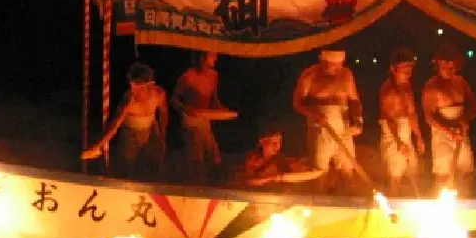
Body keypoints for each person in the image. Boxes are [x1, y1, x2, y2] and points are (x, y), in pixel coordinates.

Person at [293, 47, 366, 193]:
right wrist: (313, 114)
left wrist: (358, 121)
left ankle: (348, 199)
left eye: (340, 65)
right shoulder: (309, 75)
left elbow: (354, 100)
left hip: (344, 130)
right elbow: (297, 103)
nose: (337, 69)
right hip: (320, 131)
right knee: (320, 171)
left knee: (347, 169)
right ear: (323, 61)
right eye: (333, 65)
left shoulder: (346, 75)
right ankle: (319, 199)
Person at [88, 62, 169, 178]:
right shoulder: (129, 100)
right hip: (130, 133)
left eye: (137, 86)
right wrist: (98, 145)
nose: (133, 89)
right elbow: (115, 125)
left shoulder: (159, 94)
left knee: (156, 161)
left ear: (149, 85)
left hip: (151, 128)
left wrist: (162, 136)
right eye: (131, 85)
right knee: (126, 166)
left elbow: (163, 115)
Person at [421, 44, 476, 193]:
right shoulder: (431, 87)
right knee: (443, 176)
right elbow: (429, 117)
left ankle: (465, 201)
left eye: (452, 67)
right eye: (446, 67)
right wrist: (449, 131)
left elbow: (472, 105)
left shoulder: (461, 82)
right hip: (442, 136)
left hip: (461, 132)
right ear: (438, 65)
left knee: (466, 173)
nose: (449, 71)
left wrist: (465, 119)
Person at [171, 50, 230, 183]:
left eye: (215, 58)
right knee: (196, 158)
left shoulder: (214, 75)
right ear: (202, 58)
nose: (214, 60)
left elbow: (214, 99)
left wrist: (221, 109)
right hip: (190, 122)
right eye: (211, 57)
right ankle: (196, 185)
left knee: (215, 157)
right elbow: (174, 100)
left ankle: (216, 186)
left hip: (205, 122)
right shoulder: (188, 76)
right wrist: (185, 108)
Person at [377, 47, 425, 197]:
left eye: (410, 69)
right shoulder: (389, 90)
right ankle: (391, 204)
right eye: (404, 69)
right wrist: (398, 142)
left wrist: (419, 138)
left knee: (414, 175)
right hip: (393, 137)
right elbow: (388, 119)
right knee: (395, 177)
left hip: (406, 135)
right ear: (393, 69)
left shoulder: (407, 86)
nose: (408, 73)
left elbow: (411, 114)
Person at [237, 121, 312, 187]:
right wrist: (271, 179)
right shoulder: (252, 159)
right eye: (274, 143)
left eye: (279, 142)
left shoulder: (280, 160)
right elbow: (246, 181)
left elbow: (292, 170)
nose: (277, 146)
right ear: (262, 142)